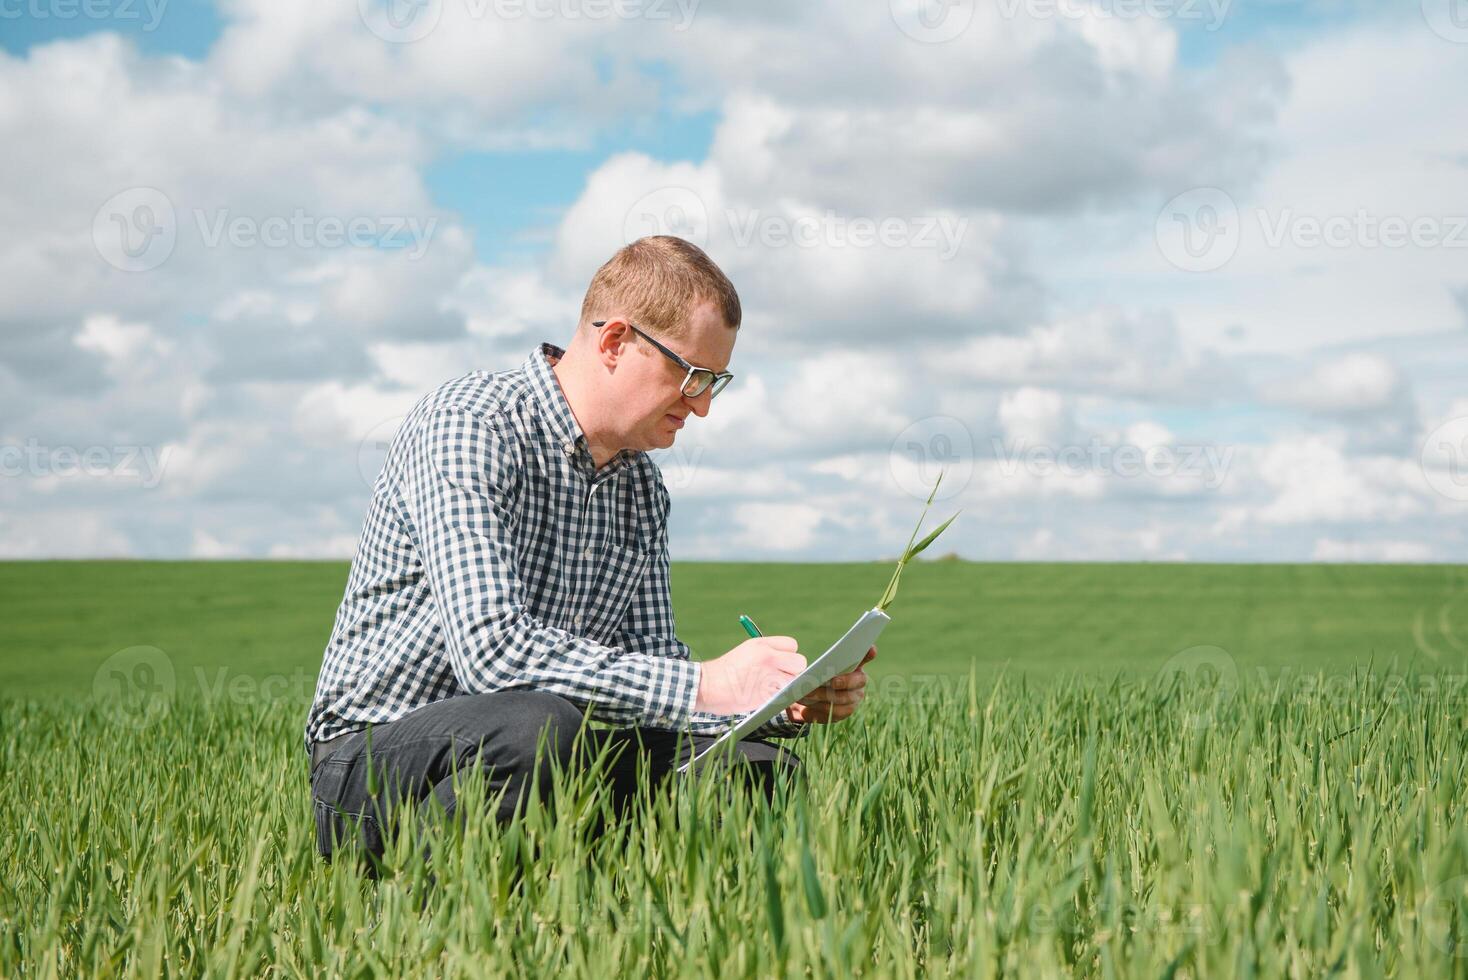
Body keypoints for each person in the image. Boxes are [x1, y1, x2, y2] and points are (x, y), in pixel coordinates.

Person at [304, 235, 875, 869]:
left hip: (539, 756)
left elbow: (654, 675)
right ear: (614, 342)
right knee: (536, 727)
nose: (704, 406)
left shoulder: (641, 488)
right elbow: (492, 659)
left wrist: (771, 703)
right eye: (691, 376)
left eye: (715, 381)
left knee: (755, 771)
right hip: (373, 767)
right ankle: (441, 934)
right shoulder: (469, 425)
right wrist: (708, 682)